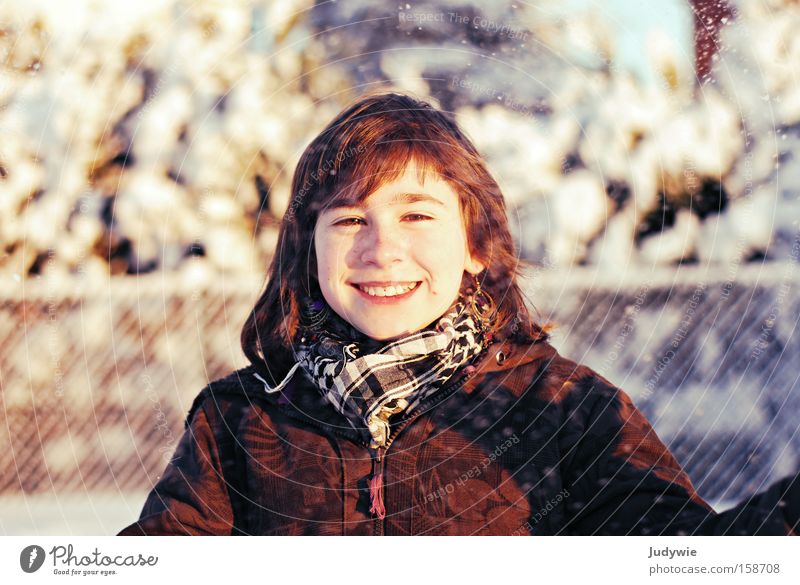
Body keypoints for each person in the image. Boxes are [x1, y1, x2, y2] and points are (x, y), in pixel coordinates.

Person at [119, 91, 799, 536]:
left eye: (417, 215)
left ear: (476, 245)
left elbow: (687, 560)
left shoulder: (560, 408)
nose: (382, 249)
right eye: (350, 218)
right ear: (309, 249)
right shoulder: (240, 421)